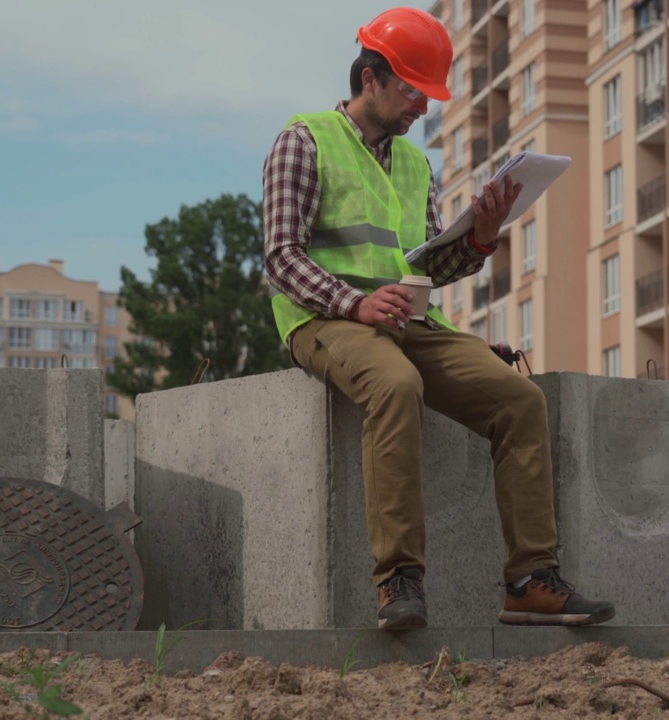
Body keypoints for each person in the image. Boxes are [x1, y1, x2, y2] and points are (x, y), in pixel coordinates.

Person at [262, 6, 614, 631]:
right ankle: (399, 581)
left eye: (428, 95)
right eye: (412, 90)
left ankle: (530, 582)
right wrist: (356, 303)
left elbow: (427, 264)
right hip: (323, 319)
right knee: (396, 385)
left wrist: (479, 237)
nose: (422, 107)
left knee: (519, 399)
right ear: (369, 78)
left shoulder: (416, 163)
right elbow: (281, 258)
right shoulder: (304, 141)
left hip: (408, 318)